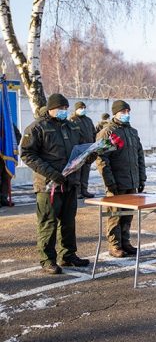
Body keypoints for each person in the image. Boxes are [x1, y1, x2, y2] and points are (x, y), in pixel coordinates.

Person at [20, 93, 91, 274]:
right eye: (60, 108)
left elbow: (80, 150)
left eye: (66, 109)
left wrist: (90, 155)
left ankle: (68, 255)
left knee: (68, 222)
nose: (64, 112)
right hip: (48, 185)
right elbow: (27, 154)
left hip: (69, 183)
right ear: (50, 108)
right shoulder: (37, 127)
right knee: (48, 223)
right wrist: (52, 173)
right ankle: (47, 260)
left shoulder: (71, 126)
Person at [95, 100, 146, 258]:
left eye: (128, 111)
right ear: (115, 113)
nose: (126, 114)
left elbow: (139, 156)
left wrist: (141, 178)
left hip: (132, 181)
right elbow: (102, 159)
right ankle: (114, 245)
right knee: (115, 215)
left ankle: (125, 242)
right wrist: (109, 182)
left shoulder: (132, 132)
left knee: (128, 214)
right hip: (116, 182)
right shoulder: (109, 132)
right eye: (123, 112)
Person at [69, 101, 96, 199]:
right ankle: (77, 191)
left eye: (84, 107)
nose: (83, 109)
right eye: (80, 108)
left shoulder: (88, 120)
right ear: (76, 109)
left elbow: (93, 132)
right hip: (79, 150)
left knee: (86, 170)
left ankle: (84, 189)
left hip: (89, 149)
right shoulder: (72, 120)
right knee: (77, 171)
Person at [0, 123, 21, 207]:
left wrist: (11, 147)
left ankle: (3, 198)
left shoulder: (7, 120)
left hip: (6, 155)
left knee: (6, 177)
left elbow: (17, 135)